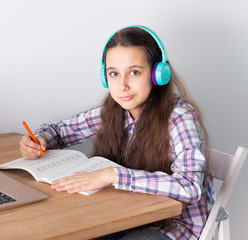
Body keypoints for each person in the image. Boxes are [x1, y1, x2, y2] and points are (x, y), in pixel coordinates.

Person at [19, 26, 215, 240]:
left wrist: (111, 176)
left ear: (158, 73)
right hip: (131, 216)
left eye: (134, 72)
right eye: (114, 74)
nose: (122, 86)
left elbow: (189, 188)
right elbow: (60, 130)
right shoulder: (115, 110)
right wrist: (39, 139)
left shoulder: (180, 116)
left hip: (175, 229)